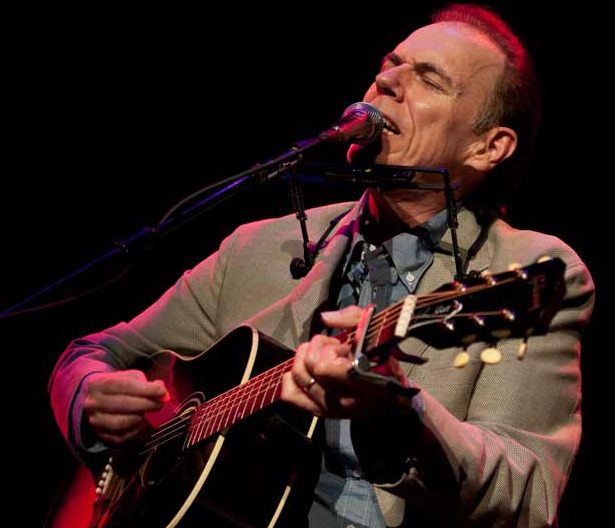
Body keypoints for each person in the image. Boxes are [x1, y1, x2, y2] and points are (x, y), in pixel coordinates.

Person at [48, 4, 594, 527]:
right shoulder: (259, 248)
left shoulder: (532, 269)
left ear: (487, 147)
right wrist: (88, 398)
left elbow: (527, 498)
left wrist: (400, 416)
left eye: (429, 79)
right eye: (390, 64)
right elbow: (94, 352)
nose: (388, 82)